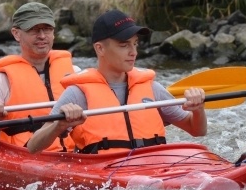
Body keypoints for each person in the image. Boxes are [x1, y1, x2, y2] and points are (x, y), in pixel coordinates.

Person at [27, 9, 207, 154]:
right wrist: (60, 125)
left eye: (135, 44)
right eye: (124, 45)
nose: (133, 52)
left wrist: (198, 110)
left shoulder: (153, 89)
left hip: (153, 169)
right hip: (105, 179)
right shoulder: (78, 93)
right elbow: (33, 146)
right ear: (100, 48)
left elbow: (197, 130)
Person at [0, 1, 77, 151]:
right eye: (34, 30)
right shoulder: (0, 80)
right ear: (16, 34)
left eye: (47, 29)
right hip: (20, 156)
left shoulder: (74, 73)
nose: (42, 36)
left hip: (73, 156)